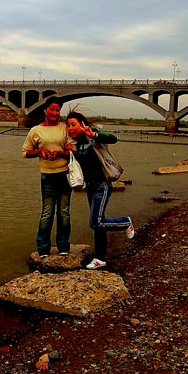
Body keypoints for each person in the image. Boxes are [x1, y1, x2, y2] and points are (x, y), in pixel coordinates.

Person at [65, 111, 134, 269]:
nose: (70, 128)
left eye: (73, 124)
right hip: (90, 186)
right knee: (99, 223)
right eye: (68, 125)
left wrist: (94, 134)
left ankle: (125, 222)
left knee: (96, 221)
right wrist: (71, 151)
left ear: (83, 124)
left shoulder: (92, 136)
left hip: (102, 184)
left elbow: (113, 139)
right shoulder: (77, 143)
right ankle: (100, 258)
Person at [21, 98, 71, 257]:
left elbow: (72, 152)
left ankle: (63, 246)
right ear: (45, 110)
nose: (55, 113)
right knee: (47, 213)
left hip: (65, 175)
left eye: (57, 110)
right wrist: (39, 153)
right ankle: (43, 248)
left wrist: (60, 153)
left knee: (64, 212)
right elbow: (25, 152)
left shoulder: (65, 129)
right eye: (52, 110)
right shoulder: (35, 130)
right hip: (47, 176)